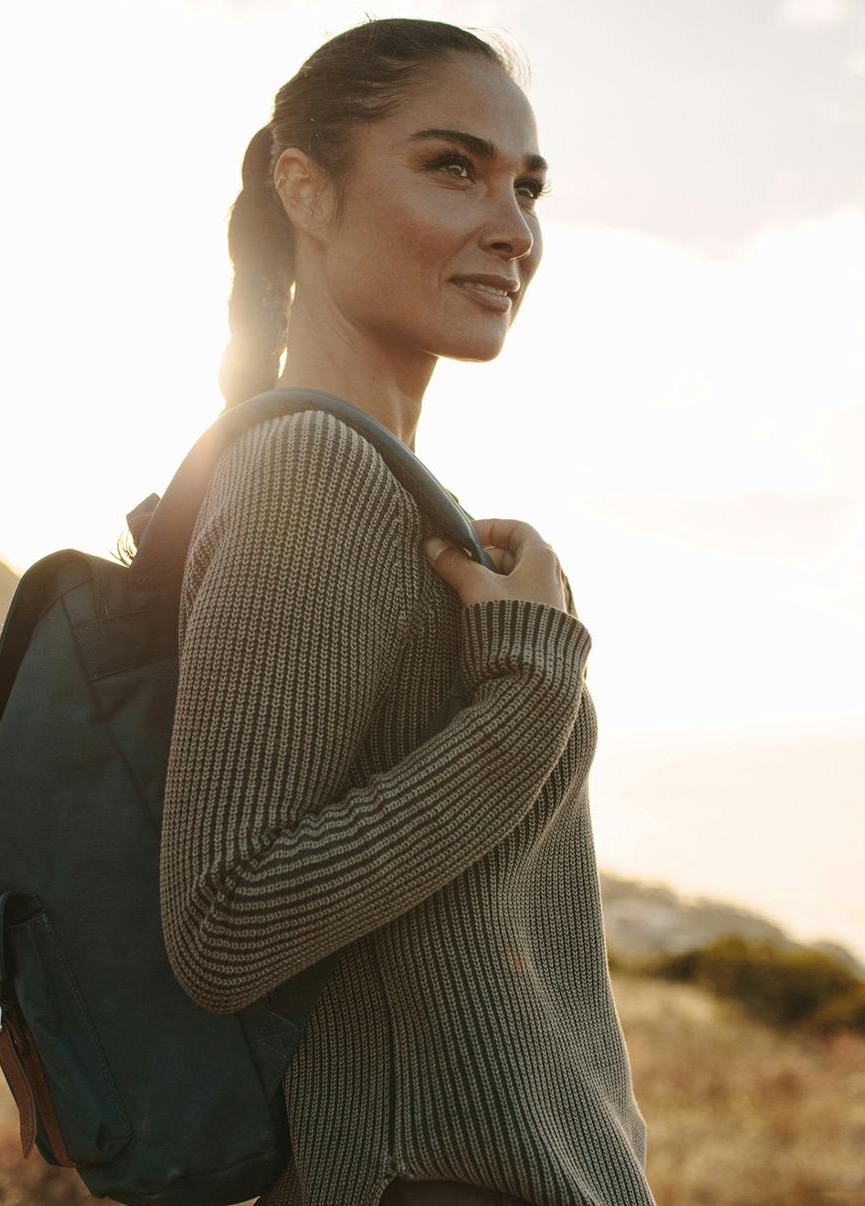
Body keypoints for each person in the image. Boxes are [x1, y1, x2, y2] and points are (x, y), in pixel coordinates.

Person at [157, 16, 656, 1206]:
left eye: (527, 188)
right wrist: (527, 692)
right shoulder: (311, 478)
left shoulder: (382, 491)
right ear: (307, 190)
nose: (514, 228)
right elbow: (224, 924)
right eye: (453, 168)